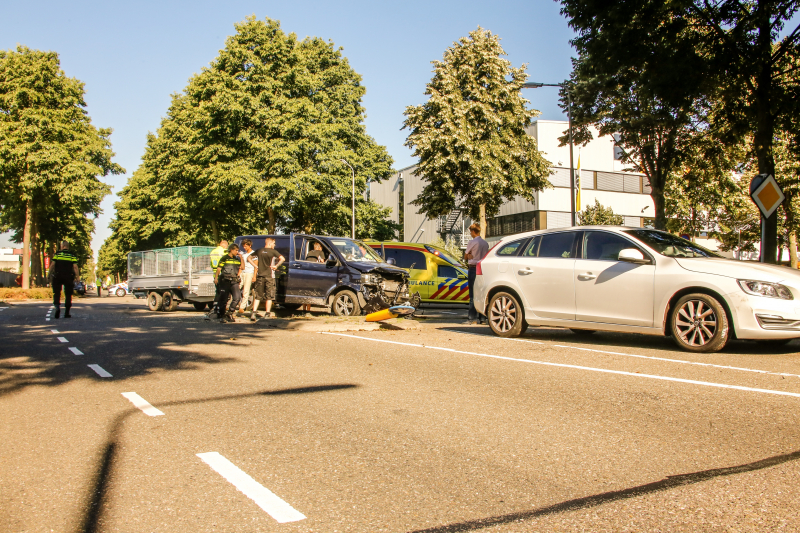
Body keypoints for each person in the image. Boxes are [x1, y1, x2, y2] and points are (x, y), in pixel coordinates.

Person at [250, 238, 285, 321]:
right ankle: (267, 313)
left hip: (260, 276)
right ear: (270, 243)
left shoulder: (259, 250)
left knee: (258, 295)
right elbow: (282, 259)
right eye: (274, 243)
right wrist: (276, 266)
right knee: (269, 296)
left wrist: (255, 266)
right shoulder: (273, 252)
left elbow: (249, 258)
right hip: (270, 276)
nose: (274, 245)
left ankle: (254, 313)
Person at [463, 223, 489, 325]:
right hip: (483, 269)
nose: (471, 234)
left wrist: (470, 256)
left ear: (474, 232)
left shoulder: (472, 242)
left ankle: (472, 318)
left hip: (473, 269)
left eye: (471, 232)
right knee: (482, 293)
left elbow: (466, 256)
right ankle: (482, 318)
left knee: (473, 294)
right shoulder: (485, 243)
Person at [49, 241, 80, 319]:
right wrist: (77, 277)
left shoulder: (58, 254)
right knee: (68, 294)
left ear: (62, 246)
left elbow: (52, 264)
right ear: (68, 247)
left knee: (56, 292)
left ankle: (57, 307)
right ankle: (67, 312)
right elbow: (75, 267)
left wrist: (49, 274)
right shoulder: (71, 255)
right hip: (68, 276)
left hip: (58, 275)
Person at [214, 243, 242, 323]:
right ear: (231, 250)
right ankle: (222, 315)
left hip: (234, 280)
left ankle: (230, 313)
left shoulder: (237, 259)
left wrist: (241, 258)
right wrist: (216, 278)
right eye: (236, 250)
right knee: (224, 299)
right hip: (225, 280)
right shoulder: (224, 258)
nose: (237, 252)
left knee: (237, 297)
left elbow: (242, 267)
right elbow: (219, 269)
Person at [207, 239, 228, 319]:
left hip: (215, 273)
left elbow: (211, 264)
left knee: (218, 291)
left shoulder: (213, 252)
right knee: (223, 291)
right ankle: (220, 308)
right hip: (222, 273)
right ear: (225, 245)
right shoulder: (224, 252)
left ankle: (215, 306)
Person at [237, 239, 256, 316]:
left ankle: (242, 307)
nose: (244, 247)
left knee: (246, 290)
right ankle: (235, 303)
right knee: (237, 288)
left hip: (249, 273)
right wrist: (239, 274)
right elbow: (241, 266)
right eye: (243, 246)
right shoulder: (244, 254)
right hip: (243, 273)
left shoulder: (253, 254)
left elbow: (256, 266)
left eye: (246, 246)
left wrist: (254, 276)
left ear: (250, 245)